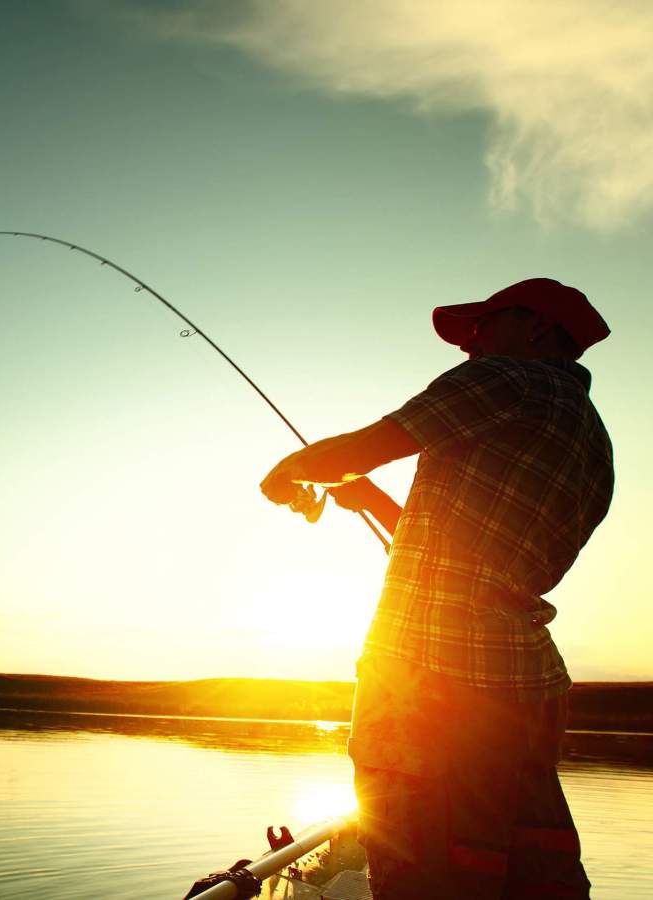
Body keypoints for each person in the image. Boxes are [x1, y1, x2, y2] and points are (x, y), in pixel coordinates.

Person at [260, 278, 613, 899]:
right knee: (521, 866)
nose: (469, 346)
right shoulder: (592, 437)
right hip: (525, 690)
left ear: (533, 327)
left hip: (430, 681)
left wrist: (290, 471)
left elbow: (374, 444)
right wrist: (368, 498)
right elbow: (477, 561)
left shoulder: (508, 378)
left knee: (418, 865)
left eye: (482, 328)